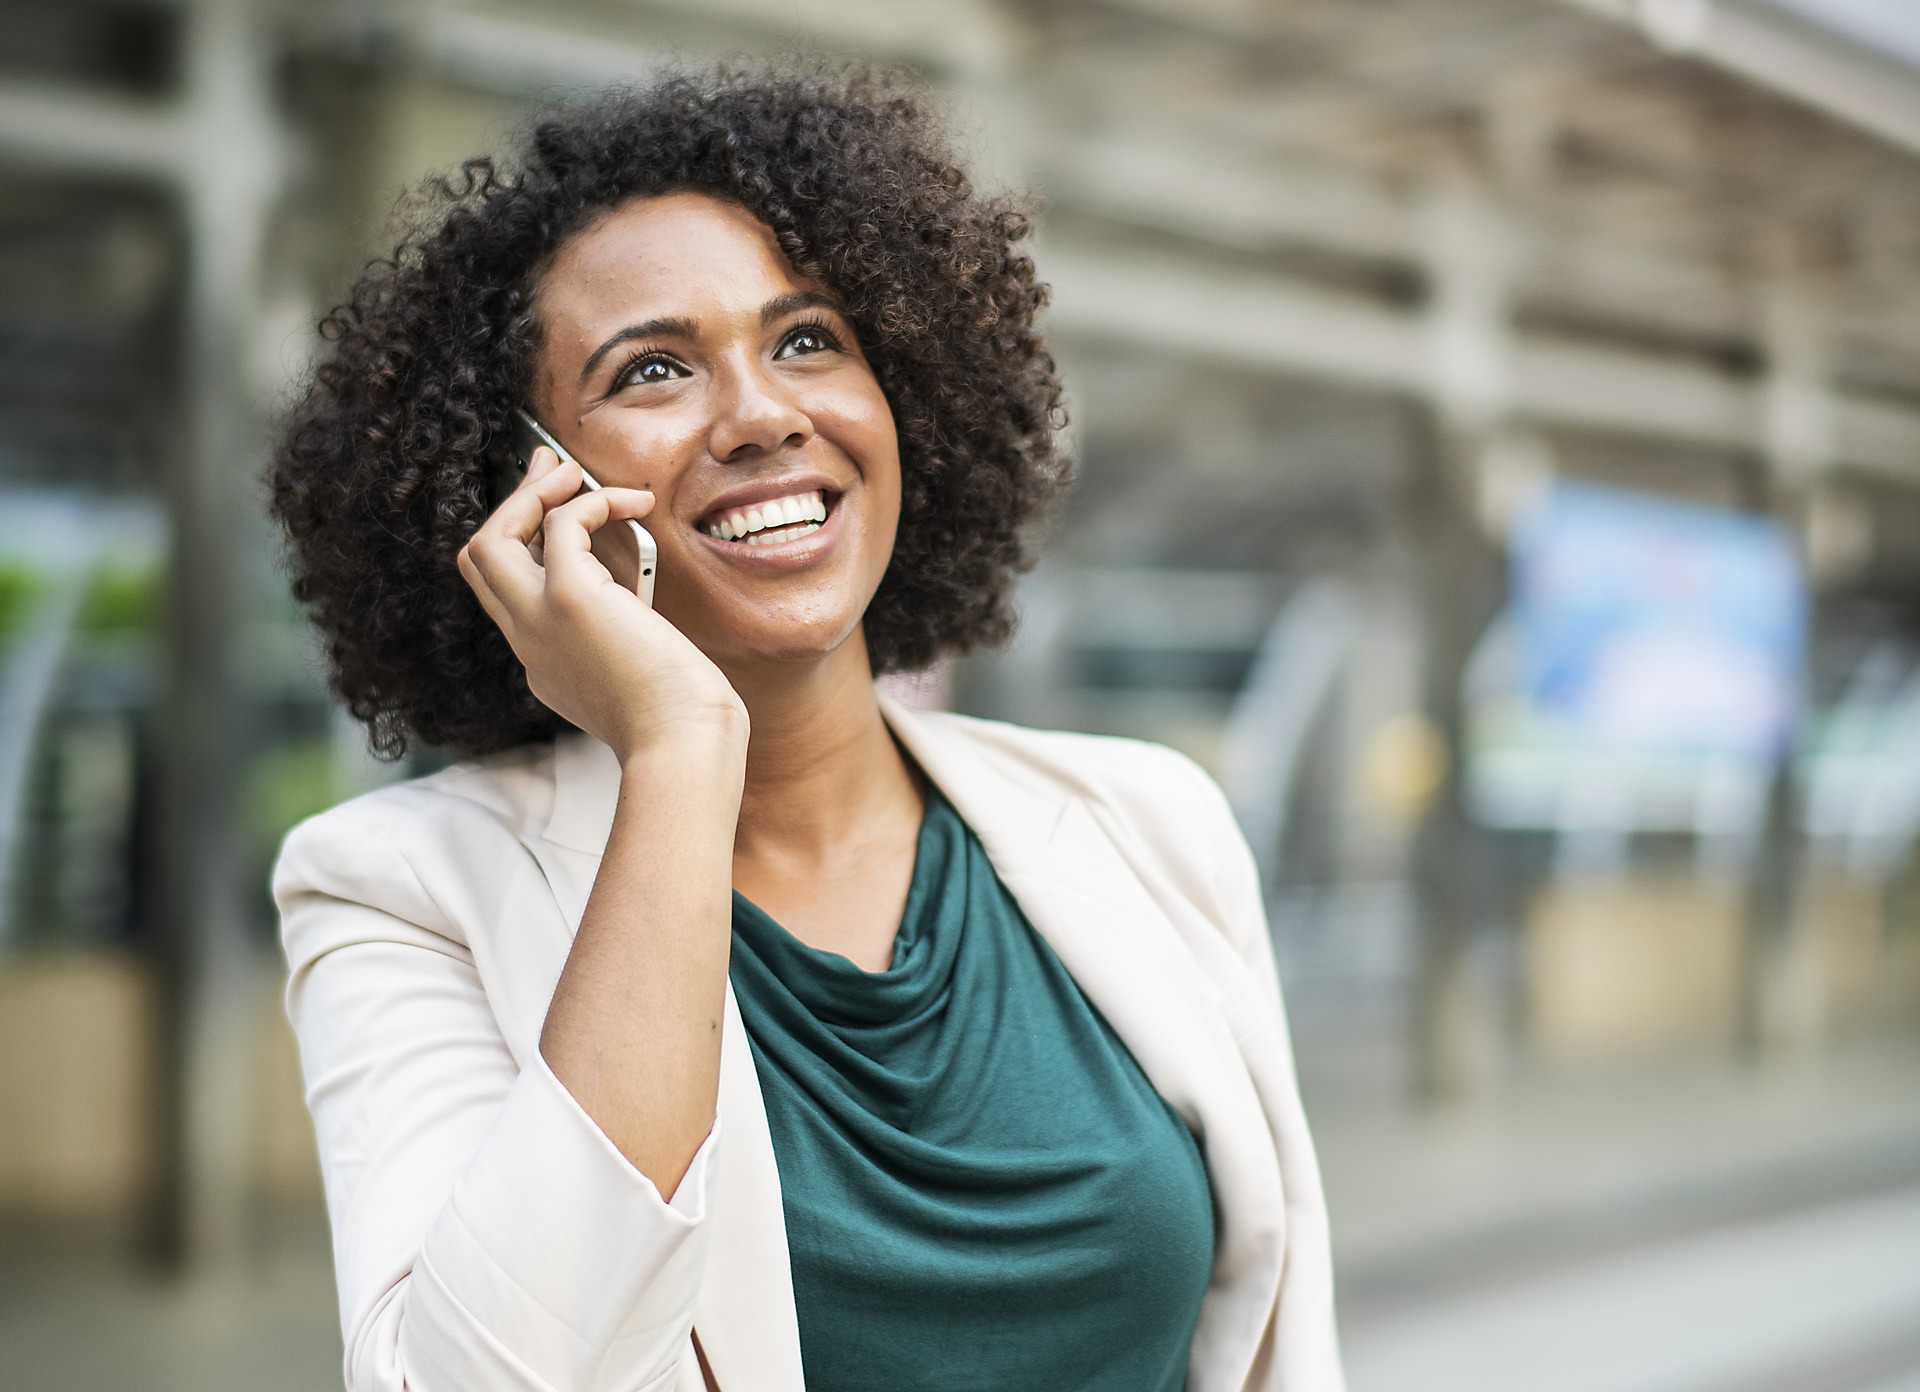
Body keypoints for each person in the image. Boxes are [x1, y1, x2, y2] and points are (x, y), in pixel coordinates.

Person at [264, 56, 1344, 1392]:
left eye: (809, 340)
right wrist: (675, 748)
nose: (766, 414)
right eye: (655, 369)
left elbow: (1258, 1347)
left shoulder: (1146, 824)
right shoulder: (396, 892)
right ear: (526, 495)